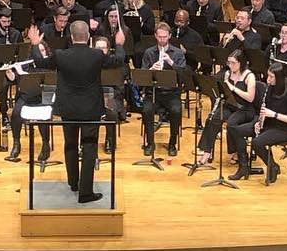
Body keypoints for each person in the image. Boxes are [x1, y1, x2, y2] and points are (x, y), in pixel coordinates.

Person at [27, 20, 126, 204]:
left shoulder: (60, 55)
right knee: (89, 147)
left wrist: (35, 44)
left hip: (68, 108)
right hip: (90, 109)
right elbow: (118, 61)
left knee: (70, 145)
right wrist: (119, 43)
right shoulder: (97, 55)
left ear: (71, 37)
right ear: (88, 36)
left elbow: (40, 62)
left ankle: (73, 182)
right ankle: (85, 192)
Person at [230, 62, 287, 185]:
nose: (268, 79)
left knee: (257, 143)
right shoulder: (270, 89)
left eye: (271, 77)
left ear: (279, 78)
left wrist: (273, 114)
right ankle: (243, 167)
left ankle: (272, 166)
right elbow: (265, 110)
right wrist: (258, 122)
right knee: (236, 131)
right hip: (270, 124)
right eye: (268, 76)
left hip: (286, 129)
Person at [196, 49, 258, 166]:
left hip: (244, 109)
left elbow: (250, 97)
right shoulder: (227, 73)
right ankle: (206, 151)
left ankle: (236, 151)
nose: (230, 65)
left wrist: (233, 88)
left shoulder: (249, 76)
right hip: (230, 106)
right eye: (229, 62)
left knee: (231, 123)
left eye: (234, 63)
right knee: (213, 118)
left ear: (241, 63)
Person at [139, 22, 186, 157]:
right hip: (153, 92)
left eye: (164, 37)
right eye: (159, 37)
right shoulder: (149, 52)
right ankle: (150, 143)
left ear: (169, 36)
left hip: (171, 93)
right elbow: (142, 76)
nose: (162, 40)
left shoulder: (177, 53)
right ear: (155, 36)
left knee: (176, 111)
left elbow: (182, 75)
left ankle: (172, 143)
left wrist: (171, 63)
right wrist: (151, 70)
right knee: (147, 110)